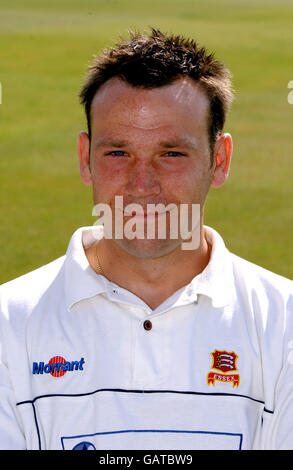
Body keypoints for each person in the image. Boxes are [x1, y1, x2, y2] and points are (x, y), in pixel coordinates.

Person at [0, 28, 293, 451]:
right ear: (85, 160)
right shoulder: (9, 326)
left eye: (171, 153)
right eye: (118, 153)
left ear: (220, 161)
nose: (142, 185)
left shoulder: (283, 325)